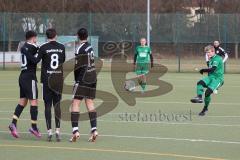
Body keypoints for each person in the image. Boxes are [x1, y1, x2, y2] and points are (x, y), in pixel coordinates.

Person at [9, 30, 41, 138]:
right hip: (29, 77)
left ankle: (13, 123)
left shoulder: (25, 46)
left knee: (22, 102)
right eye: (36, 38)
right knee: (34, 101)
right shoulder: (33, 47)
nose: (36, 40)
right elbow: (36, 59)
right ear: (33, 38)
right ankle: (34, 127)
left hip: (22, 76)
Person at [70, 28, 98, 142]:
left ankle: (75, 131)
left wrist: (76, 81)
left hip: (83, 79)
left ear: (78, 36)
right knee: (90, 102)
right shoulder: (90, 46)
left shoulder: (79, 48)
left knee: (75, 103)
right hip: (93, 77)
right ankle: (94, 130)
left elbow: (77, 67)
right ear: (87, 36)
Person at [37, 28, 65, 142]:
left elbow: (37, 60)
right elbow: (62, 61)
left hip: (47, 80)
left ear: (46, 36)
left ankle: (49, 132)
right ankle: (58, 131)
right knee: (57, 105)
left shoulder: (43, 47)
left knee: (47, 105)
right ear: (56, 35)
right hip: (58, 80)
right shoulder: (62, 47)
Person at [191, 45, 224, 116]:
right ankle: (199, 97)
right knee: (200, 83)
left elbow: (213, 69)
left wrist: (203, 70)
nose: (208, 54)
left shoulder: (217, 58)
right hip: (210, 77)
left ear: (213, 51)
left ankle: (205, 108)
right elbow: (211, 70)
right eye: (207, 53)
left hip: (218, 79)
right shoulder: (211, 59)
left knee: (207, 93)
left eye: (209, 52)